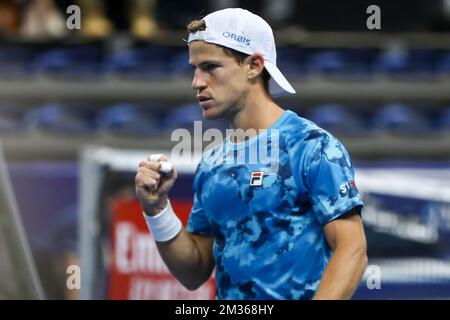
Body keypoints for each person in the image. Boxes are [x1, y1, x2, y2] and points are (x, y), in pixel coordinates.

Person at [135, 8, 367, 300]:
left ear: (254, 65)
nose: (196, 82)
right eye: (194, 68)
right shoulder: (211, 164)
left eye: (210, 67)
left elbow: (353, 250)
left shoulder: (312, 146)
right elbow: (194, 273)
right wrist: (157, 210)